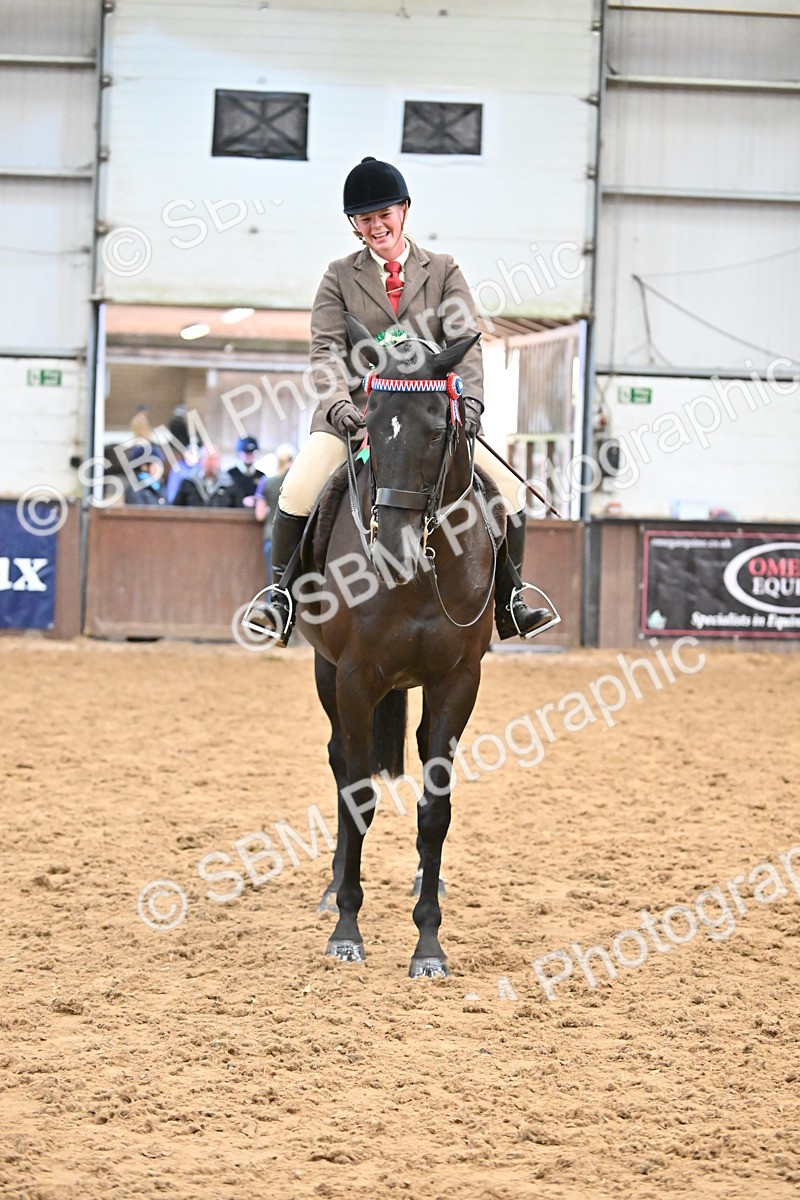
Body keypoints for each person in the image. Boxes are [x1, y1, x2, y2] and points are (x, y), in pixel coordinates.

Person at [260, 156, 555, 645]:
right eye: (365, 219)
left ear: (404, 210)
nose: (376, 226)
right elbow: (326, 349)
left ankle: (510, 601)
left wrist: (471, 404)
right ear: (354, 225)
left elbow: (466, 339)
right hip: (357, 416)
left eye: (384, 215)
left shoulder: (442, 270)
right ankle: (279, 601)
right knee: (296, 490)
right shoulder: (339, 276)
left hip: (430, 417)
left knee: (509, 489)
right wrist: (338, 406)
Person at [255, 443, 296, 579]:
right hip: (294, 536)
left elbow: (259, 515)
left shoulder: (265, 482)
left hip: (271, 535)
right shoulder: (296, 481)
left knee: (274, 582)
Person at [172, 447, 237, 507]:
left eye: (215, 460)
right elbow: (176, 506)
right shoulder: (189, 482)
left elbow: (237, 508)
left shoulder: (228, 483)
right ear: (201, 461)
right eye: (209, 459)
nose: (212, 464)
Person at [229, 435, 266, 508]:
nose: (248, 455)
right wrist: (241, 501)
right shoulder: (230, 474)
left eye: (251, 453)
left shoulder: (261, 476)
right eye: (245, 452)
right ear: (239, 453)